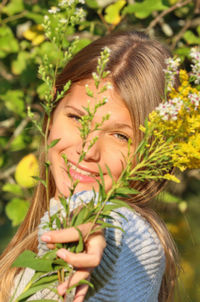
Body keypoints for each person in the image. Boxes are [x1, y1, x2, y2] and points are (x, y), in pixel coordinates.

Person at [0, 31, 179, 302]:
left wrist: (93, 226)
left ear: (154, 156)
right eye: (76, 118)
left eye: (121, 136)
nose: (87, 150)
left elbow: (113, 228)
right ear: (50, 117)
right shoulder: (35, 237)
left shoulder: (139, 241)